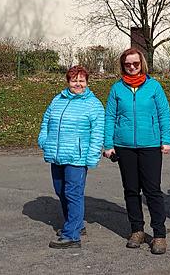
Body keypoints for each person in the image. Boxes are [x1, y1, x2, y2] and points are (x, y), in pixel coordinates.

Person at [102, 47, 170, 255]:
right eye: (128, 64)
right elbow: (109, 117)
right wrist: (108, 144)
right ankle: (137, 230)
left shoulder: (154, 87)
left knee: (153, 191)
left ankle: (159, 234)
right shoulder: (117, 89)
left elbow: (164, 113)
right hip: (124, 146)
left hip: (150, 145)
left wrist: (166, 139)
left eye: (135, 63)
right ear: (123, 66)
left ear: (142, 63)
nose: (132, 67)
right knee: (131, 190)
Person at [38, 64, 105, 249]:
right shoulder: (57, 99)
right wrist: (44, 140)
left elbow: (97, 133)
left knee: (73, 194)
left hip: (77, 157)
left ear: (87, 82)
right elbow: (46, 121)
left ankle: (72, 236)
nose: (78, 84)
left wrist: (92, 156)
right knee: (60, 191)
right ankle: (75, 225)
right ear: (68, 81)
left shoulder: (93, 104)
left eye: (81, 80)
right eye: (74, 80)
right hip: (57, 154)